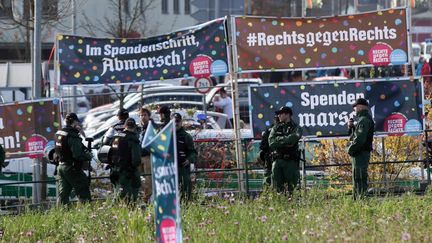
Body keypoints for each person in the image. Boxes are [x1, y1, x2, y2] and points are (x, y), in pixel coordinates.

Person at [55, 113, 92, 205]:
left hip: (61, 167)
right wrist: (88, 156)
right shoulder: (72, 136)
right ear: (75, 122)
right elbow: (77, 155)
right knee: (83, 189)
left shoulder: (60, 133)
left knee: (63, 193)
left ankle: (61, 213)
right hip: (72, 167)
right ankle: (86, 212)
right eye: (78, 123)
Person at [268, 106, 303, 194]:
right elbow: (271, 142)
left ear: (287, 115)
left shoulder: (296, 127)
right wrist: (286, 141)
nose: (278, 116)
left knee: (293, 189)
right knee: (277, 189)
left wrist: (279, 140)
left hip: (290, 162)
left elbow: (293, 139)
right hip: (277, 161)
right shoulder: (276, 128)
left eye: (281, 114)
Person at [347, 98, 375, 199]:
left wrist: (350, 149)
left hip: (360, 153)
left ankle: (361, 200)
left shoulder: (363, 120)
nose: (354, 109)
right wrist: (352, 127)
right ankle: (359, 199)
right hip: (360, 152)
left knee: (359, 177)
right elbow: (357, 136)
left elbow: (359, 139)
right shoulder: (363, 119)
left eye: (355, 106)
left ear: (360, 106)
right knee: (358, 177)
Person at [110, 118, 142, 203]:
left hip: (114, 171)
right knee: (129, 196)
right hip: (128, 172)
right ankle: (129, 211)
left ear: (125, 125)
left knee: (118, 193)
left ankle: (112, 212)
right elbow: (136, 160)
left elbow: (110, 151)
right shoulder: (133, 139)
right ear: (134, 127)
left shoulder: (116, 137)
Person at [174, 113, 197, 201]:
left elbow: (193, 153)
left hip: (183, 169)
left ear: (181, 122)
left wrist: (189, 160)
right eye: (174, 121)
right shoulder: (166, 137)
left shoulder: (186, 136)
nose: (176, 123)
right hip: (170, 170)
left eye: (178, 121)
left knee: (185, 195)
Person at [138, 107, 157, 202]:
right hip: (139, 156)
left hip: (148, 156)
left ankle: (148, 198)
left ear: (149, 116)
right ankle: (145, 195)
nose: (143, 117)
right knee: (137, 177)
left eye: (145, 115)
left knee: (148, 178)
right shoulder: (139, 128)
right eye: (141, 115)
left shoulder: (152, 127)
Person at [259, 115, 279, 186]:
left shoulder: (268, 130)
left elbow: (262, 146)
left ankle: (268, 194)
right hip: (276, 159)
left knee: (268, 179)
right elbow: (262, 146)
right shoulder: (283, 129)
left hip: (270, 158)